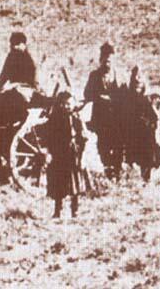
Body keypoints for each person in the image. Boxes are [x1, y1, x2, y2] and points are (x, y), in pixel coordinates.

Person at [39, 91, 86, 218]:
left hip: (73, 155)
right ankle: (57, 210)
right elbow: (48, 137)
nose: (67, 106)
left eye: (69, 104)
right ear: (60, 104)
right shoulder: (54, 119)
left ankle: (75, 210)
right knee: (58, 182)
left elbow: (83, 137)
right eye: (64, 104)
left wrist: (81, 155)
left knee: (74, 182)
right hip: (59, 154)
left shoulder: (76, 119)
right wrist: (49, 152)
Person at [84, 42, 122, 179]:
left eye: (110, 60)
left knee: (117, 145)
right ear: (101, 60)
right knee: (103, 146)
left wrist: (113, 99)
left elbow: (125, 95)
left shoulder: (119, 75)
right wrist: (99, 97)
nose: (107, 63)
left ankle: (117, 171)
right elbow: (87, 94)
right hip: (101, 118)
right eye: (105, 60)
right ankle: (108, 170)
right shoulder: (94, 76)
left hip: (117, 118)